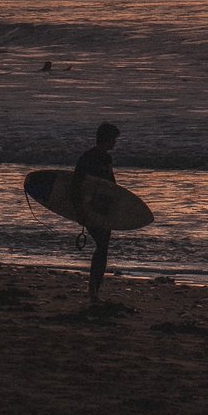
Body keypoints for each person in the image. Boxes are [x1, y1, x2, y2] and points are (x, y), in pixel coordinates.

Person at [71, 122, 120, 304]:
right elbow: (75, 186)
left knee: (103, 247)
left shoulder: (106, 159)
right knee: (102, 246)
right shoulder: (87, 158)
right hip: (89, 209)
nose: (115, 143)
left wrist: (114, 209)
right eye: (114, 140)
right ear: (107, 139)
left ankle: (94, 288)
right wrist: (80, 212)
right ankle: (93, 289)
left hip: (102, 209)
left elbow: (112, 186)